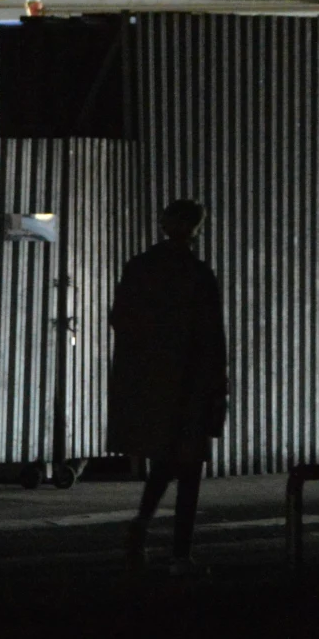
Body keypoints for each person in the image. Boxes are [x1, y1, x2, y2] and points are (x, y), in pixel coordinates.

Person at [108, 198, 230, 573]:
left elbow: (120, 321)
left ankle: (141, 528)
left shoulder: (139, 268)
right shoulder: (197, 274)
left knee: (164, 459)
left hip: (152, 382)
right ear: (196, 228)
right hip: (191, 381)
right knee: (189, 467)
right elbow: (212, 337)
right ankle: (180, 552)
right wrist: (218, 386)